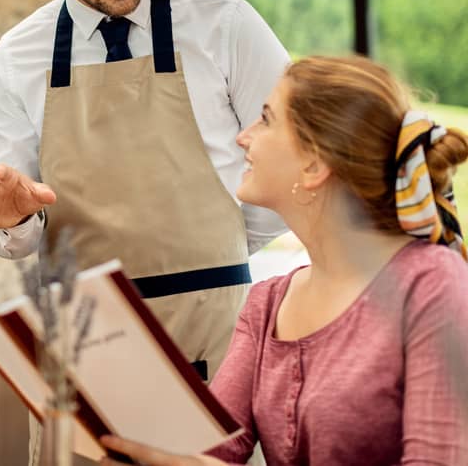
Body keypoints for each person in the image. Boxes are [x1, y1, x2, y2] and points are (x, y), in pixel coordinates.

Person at [0, 0, 289, 381]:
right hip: (84, 353)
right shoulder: (14, 60)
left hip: (220, 337)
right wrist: (13, 221)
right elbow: (14, 237)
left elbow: (290, 168)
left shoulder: (227, 26)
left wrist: (215, 261)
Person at [99, 55, 468, 465]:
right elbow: (210, 451)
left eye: (266, 120)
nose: (244, 137)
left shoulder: (432, 283)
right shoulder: (268, 303)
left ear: (314, 164)